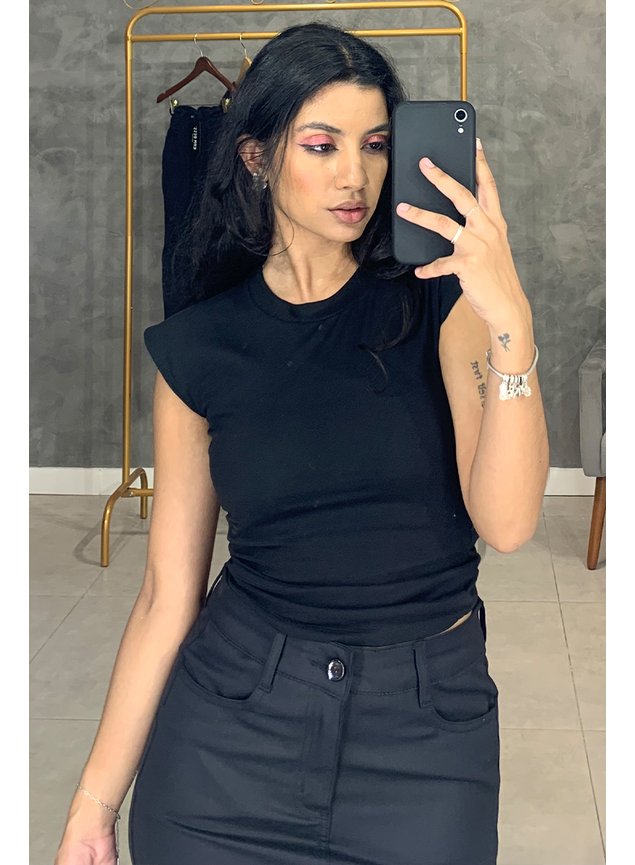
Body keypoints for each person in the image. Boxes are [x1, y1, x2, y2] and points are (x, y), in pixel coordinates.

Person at [54, 20, 549, 865]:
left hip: (423, 738)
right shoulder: (198, 348)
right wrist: (92, 805)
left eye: (375, 144)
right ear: (255, 157)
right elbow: (166, 594)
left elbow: (506, 523)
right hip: (229, 732)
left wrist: (510, 320)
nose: (355, 175)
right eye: (321, 145)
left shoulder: (441, 304)